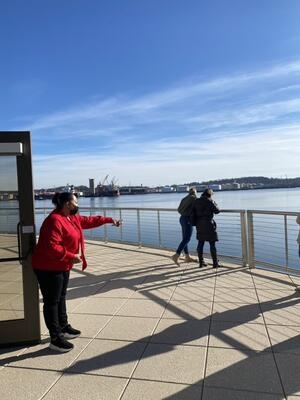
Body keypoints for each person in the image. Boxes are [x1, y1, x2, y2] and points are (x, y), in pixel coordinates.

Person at [31, 192, 122, 353]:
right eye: (75, 202)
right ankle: (55, 338)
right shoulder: (54, 220)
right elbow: (51, 246)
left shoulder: (70, 218)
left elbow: (89, 220)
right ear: (67, 204)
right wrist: (70, 256)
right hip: (48, 267)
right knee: (52, 301)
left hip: (63, 265)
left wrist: (109, 220)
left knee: (61, 297)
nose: (77, 205)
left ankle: (64, 327)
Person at [191, 188, 221, 268]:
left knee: (200, 243)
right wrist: (214, 202)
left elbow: (192, 212)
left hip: (199, 225)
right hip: (209, 224)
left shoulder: (196, 201)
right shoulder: (210, 201)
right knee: (212, 244)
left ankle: (201, 262)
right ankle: (215, 263)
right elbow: (217, 211)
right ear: (210, 194)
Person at [171, 187, 198, 266]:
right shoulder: (194, 198)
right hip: (188, 220)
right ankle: (176, 255)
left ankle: (187, 257)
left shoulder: (184, 198)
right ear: (195, 192)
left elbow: (179, 209)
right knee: (187, 238)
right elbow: (197, 209)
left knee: (184, 238)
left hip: (182, 218)